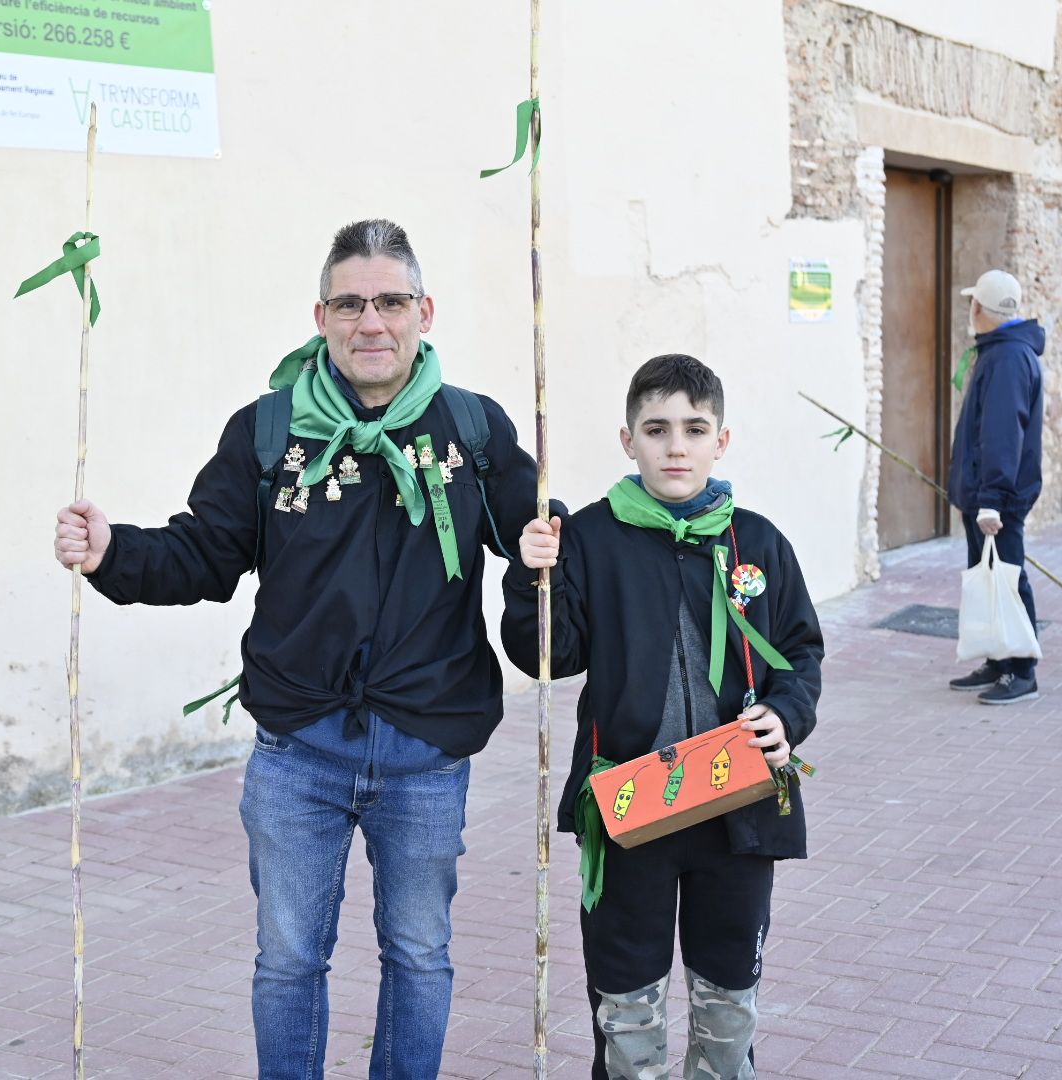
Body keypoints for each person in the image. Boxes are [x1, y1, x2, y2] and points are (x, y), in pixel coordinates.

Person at [52, 219, 545, 1079]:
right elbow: (203, 553)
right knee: (287, 962)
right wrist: (111, 552)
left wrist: (554, 552)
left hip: (426, 752)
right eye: (350, 304)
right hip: (297, 752)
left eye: (391, 301)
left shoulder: (471, 429)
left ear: (424, 311)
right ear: (320, 316)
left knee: (420, 956)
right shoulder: (270, 430)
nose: (372, 323)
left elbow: (532, 550)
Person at [500, 354, 823, 1080]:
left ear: (722, 440)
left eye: (694, 429)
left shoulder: (758, 542)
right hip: (629, 808)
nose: (676, 445)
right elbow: (545, 654)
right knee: (627, 1001)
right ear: (628, 440)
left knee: (728, 996)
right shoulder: (589, 537)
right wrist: (532, 575)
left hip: (737, 807)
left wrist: (787, 712)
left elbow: (800, 651)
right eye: (657, 429)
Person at [946, 269, 1046, 705]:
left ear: (980, 309)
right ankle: (998, 661)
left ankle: (1022, 671)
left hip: (998, 498)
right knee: (988, 578)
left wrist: (991, 500)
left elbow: (1004, 435)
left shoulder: (1007, 358)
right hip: (989, 494)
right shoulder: (1001, 351)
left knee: (1006, 578)